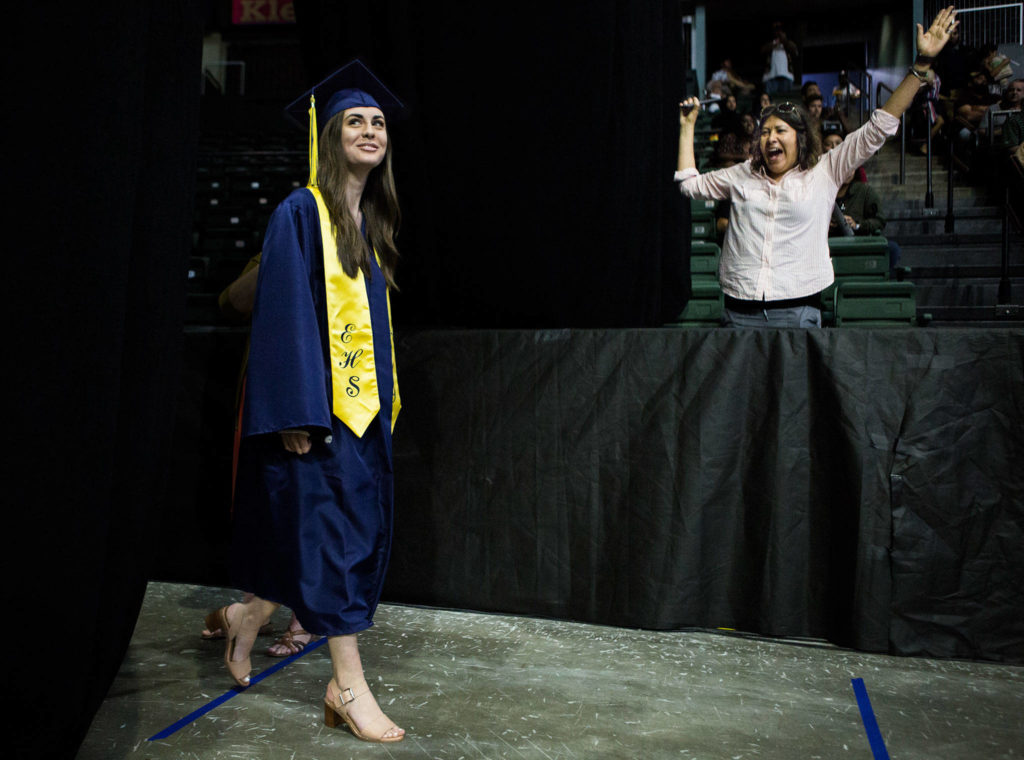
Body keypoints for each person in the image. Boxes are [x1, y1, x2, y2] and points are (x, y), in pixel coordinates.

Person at [216, 59, 406, 743]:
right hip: (316, 415)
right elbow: (283, 314)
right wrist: (295, 411)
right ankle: (346, 685)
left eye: (378, 122)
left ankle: (248, 615)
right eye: (355, 120)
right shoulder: (304, 212)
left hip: (361, 415)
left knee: (327, 538)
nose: (369, 130)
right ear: (330, 137)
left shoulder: (371, 225)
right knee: (333, 543)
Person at [676, 7, 959, 328]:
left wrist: (921, 66)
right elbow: (688, 184)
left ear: (800, 138)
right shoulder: (742, 174)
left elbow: (879, 127)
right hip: (738, 312)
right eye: (765, 131)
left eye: (780, 131)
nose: (771, 138)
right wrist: (688, 127)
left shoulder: (826, 169)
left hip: (799, 312)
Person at [199, 254, 320, 659]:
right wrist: (274, 256)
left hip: (309, 391)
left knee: (303, 507)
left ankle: (304, 618)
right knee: (256, 502)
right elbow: (232, 302)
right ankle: (255, 610)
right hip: (262, 393)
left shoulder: (330, 257)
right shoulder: (272, 253)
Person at [823, 131, 901, 275]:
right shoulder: (820, 190)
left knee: (892, 249)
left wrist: (857, 224)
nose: (847, 171)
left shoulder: (864, 192)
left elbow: (879, 221)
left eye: (850, 167)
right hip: (826, 245)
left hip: (856, 243)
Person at [761, 21, 799, 95]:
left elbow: (795, 51)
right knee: (771, 102)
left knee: (786, 101)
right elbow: (763, 50)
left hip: (786, 76)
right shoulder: (769, 42)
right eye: (776, 29)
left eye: (779, 29)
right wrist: (775, 43)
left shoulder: (787, 42)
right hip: (770, 77)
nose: (778, 32)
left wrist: (784, 40)